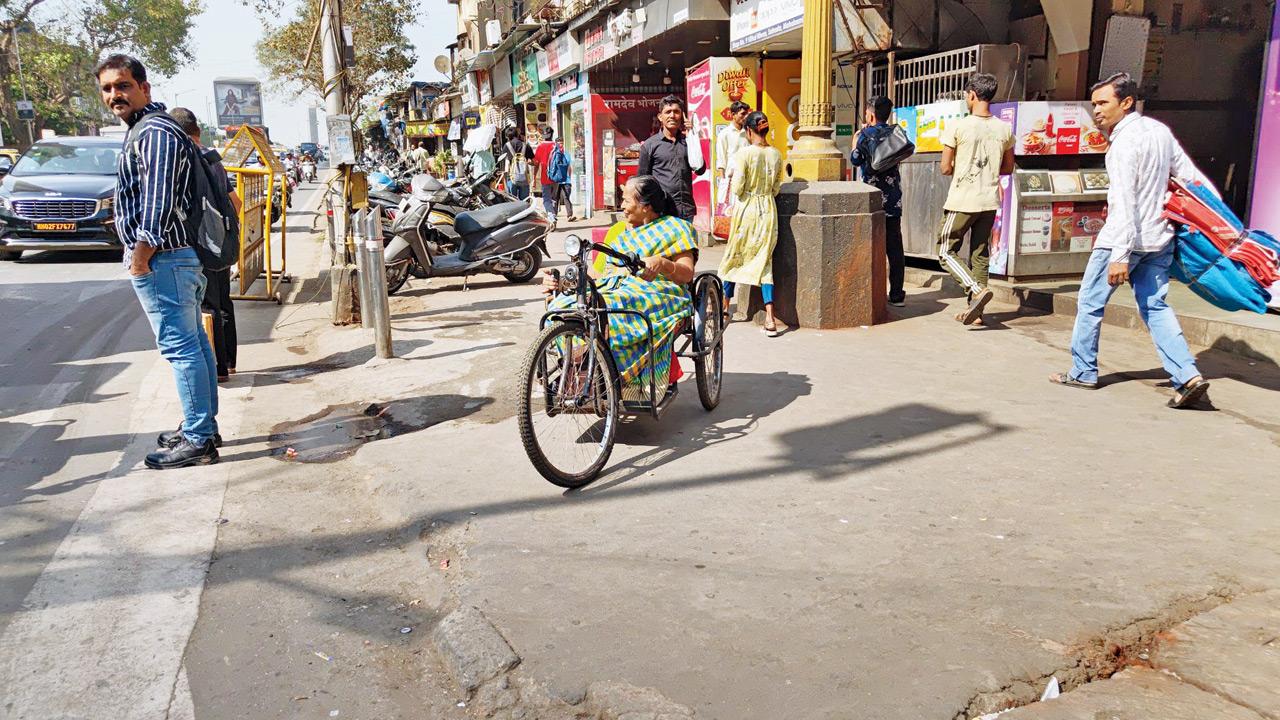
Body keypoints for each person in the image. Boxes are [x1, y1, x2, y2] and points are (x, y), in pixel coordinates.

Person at [1049, 73, 1212, 408]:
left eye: (1103, 103)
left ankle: (1083, 371)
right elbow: (1192, 179)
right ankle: (1187, 375)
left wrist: (1119, 255)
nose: (1096, 111)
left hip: (1122, 240)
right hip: (1158, 238)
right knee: (1156, 306)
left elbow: (1124, 200)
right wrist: (1212, 217)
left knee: (1090, 304)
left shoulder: (1123, 143)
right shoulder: (1160, 132)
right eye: (1093, 104)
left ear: (1126, 102)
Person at [97, 54, 219, 468]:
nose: (116, 94)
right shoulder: (148, 130)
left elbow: (159, 199)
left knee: (181, 347)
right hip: (172, 258)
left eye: (123, 85)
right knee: (195, 344)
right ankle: (200, 426)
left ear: (144, 88)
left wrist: (140, 256)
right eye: (108, 88)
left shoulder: (155, 132)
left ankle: (199, 439)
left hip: (164, 258)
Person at [541, 175, 697, 390]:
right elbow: (599, 274)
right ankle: (580, 364)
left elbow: (687, 274)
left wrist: (663, 264)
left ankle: (610, 374)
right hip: (614, 287)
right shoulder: (619, 233)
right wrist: (561, 283)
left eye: (626, 200)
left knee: (610, 309)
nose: (621, 206)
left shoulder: (677, 228)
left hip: (659, 291)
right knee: (561, 306)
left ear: (646, 206)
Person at [171, 106, 241, 384]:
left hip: (201, 244)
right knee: (223, 302)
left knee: (207, 307)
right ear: (198, 131)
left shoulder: (188, 160)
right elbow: (235, 203)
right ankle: (230, 364)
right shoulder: (214, 159)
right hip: (222, 241)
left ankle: (218, 370)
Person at [938, 72, 1015, 326]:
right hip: (989, 201)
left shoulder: (958, 126)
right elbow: (1008, 167)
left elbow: (945, 167)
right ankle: (977, 313)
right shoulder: (1004, 129)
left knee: (945, 251)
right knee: (980, 255)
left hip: (962, 200)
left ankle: (976, 290)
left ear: (971, 94)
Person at [718, 112, 784, 336]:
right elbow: (776, 187)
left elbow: (737, 188)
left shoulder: (743, 154)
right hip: (768, 210)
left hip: (746, 209)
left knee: (734, 256)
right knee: (765, 261)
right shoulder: (776, 154)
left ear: (748, 131)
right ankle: (770, 317)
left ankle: (725, 307)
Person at [850, 96, 906, 307]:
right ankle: (897, 294)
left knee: (870, 247)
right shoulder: (896, 133)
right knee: (894, 249)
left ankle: (870, 292)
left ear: (871, 114)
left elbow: (855, 160)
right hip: (893, 199)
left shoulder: (864, 135)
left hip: (872, 200)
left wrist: (856, 141)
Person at [638, 95, 706, 222]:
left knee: (685, 242)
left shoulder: (687, 141)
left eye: (676, 111)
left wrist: (693, 136)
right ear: (660, 117)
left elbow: (700, 170)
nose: (672, 116)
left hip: (686, 209)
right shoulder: (650, 145)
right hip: (662, 212)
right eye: (668, 112)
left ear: (682, 115)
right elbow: (642, 181)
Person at [715, 101, 751, 209]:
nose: (745, 117)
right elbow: (721, 159)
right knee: (728, 211)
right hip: (730, 180)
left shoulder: (749, 133)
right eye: (742, 114)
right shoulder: (724, 134)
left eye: (747, 114)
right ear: (733, 115)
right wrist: (723, 181)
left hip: (747, 178)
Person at [533, 127, 574, 220]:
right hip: (556, 178)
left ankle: (551, 216)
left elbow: (536, 163)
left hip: (545, 178)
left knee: (546, 199)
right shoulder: (557, 146)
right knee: (553, 198)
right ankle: (553, 215)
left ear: (543, 136)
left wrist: (534, 177)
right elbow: (564, 163)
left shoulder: (540, 147)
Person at [500, 126, 535, 200]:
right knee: (525, 201)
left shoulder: (506, 146)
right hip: (524, 177)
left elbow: (503, 162)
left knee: (512, 201)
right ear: (517, 134)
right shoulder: (526, 145)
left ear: (507, 136)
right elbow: (533, 161)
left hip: (511, 178)